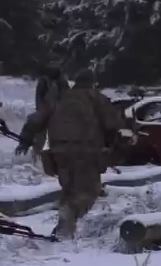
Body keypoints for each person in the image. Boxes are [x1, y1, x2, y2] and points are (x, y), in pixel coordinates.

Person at [16, 69, 120, 239]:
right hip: (87, 151)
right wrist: (113, 145)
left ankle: (64, 231)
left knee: (69, 190)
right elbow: (112, 124)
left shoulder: (59, 98)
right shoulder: (97, 98)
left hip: (59, 151)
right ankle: (69, 214)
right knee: (89, 191)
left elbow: (37, 117)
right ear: (92, 82)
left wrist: (26, 138)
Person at [31, 64, 69, 158]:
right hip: (52, 111)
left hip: (52, 112)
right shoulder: (46, 81)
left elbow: (66, 97)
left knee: (51, 136)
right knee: (44, 136)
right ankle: (38, 155)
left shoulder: (59, 81)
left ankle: (41, 155)